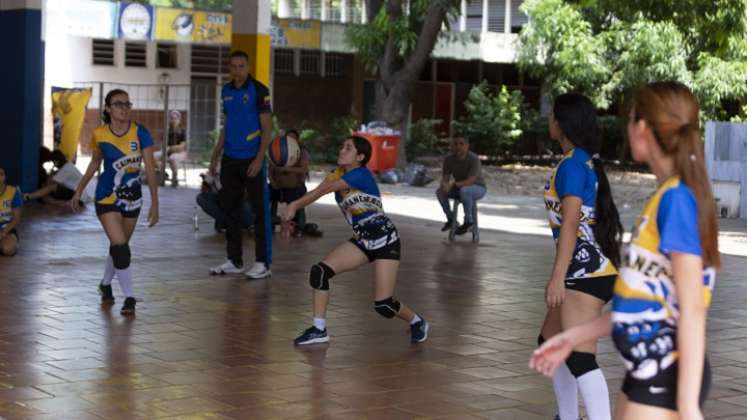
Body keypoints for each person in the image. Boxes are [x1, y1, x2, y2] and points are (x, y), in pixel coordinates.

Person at [530, 82, 719, 420]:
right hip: (646, 366)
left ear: (643, 128)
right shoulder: (663, 198)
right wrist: (574, 335)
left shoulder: (677, 200)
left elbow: (691, 309)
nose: (626, 126)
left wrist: (688, 407)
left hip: (664, 371)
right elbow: (646, 303)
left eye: (630, 117)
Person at [284, 136, 428, 345]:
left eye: (348, 148)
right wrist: (295, 207)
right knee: (320, 272)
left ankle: (417, 321)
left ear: (360, 157)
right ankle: (318, 329)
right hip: (362, 240)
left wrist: (295, 205)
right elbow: (317, 191)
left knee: (383, 305)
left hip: (386, 240)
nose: (342, 150)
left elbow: (324, 190)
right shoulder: (336, 174)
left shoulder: (360, 175)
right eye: (342, 146)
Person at [537, 93, 623, 420]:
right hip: (592, 269)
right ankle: (568, 416)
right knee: (551, 339)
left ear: (561, 123)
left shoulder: (573, 164)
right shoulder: (582, 159)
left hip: (584, 274)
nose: (549, 121)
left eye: (552, 116)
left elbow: (570, 223)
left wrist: (558, 276)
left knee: (579, 356)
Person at [70, 89, 159, 316]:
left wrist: (155, 204)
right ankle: (129, 298)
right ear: (108, 109)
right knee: (120, 246)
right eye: (118, 104)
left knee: (119, 248)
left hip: (132, 199)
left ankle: (105, 284)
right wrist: (78, 191)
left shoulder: (141, 133)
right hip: (106, 196)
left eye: (127, 104)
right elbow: (94, 164)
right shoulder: (99, 133)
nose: (124, 108)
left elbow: (150, 169)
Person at [207, 50, 273, 279]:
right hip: (230, 159)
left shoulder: (259, 91)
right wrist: (215, 156)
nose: (237, 70)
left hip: (251, 159)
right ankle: (234, 260)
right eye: (233, 66)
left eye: (241, 66)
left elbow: (267, 129)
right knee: (230, 210)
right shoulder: (226, 91)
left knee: (259, 211)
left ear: (248, 66)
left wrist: (258, 158)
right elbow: (227, 125)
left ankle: (263, 262)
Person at [268, 129, 322, 237]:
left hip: (295, 187)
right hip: (277, 186)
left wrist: (287, 169)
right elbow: (270, 169)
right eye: (288, 138)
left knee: (297, 199)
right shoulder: (279, 150)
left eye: (293, 138)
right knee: (266, 196)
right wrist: (273, 182)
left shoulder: (301, 152)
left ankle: (299, 226)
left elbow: (303, 169)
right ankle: (269, 224)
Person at [436, 137, 487, 235]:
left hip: (478, 188)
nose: (458, 147)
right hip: (460, 187)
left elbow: (471, 180)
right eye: (455, 144)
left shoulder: (473, 158)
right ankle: (451, 220)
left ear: (467, 146)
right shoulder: (449, 159)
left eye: (461, 144)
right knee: (440, 192)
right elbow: (445, 178)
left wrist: (453, 184)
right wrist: (444, 185)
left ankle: (469, 222)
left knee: (465, 190)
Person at [154, 110, 187, 187]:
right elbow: (162, 145)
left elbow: (181, 147)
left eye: (175, 118)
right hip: (167, 151)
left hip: (179, 153)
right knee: (152, 156)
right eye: (171, 118)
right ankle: (164, 174)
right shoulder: (166, 131)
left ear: (179, 119)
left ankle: (175, 179)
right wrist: (166, 149)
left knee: (173, 158)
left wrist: (171, 148)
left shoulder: (182, 131)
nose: (173, 120)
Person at [0, 167, 23, 256]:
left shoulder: (13, 192)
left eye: (1, 174)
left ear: (5, 176)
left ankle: (11, 242)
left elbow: (17, 218)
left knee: (8, 249)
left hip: (7, 229)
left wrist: (3, 233)